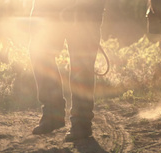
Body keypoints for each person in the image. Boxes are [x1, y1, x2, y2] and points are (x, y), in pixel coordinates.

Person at [29, 0, 105, 142]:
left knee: (81, 65)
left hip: (85, 11)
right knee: (39, 53)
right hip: (49, 9)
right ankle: (52, 114)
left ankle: (81, 123)